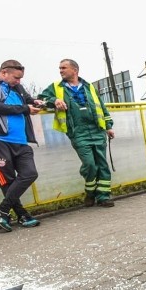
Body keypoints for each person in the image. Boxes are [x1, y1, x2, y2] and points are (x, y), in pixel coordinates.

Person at [0, 60, 45, 232]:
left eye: (21, 79)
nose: (19, 82)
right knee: (7, 180)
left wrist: (39, 103)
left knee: (29, 174)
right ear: (4, 72)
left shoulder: (18, 88)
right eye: (16, 78)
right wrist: (25, 109)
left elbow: (29, 101)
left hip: (20, 140)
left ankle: (2, 209)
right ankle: (21, 214)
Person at [40, 59, 116, 207]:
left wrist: (108, 126)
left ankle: (103, 197)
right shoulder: (56, 87)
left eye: (64, 68)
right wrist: (54, 100)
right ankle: (90, 192)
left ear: (75, 70)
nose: (60, 70)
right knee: (89, 165)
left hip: (97, 130)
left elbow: (101, 106)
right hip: (78, 132)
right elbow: (40, 99)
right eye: (60, 68)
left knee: (102, 164)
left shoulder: (89, 87)